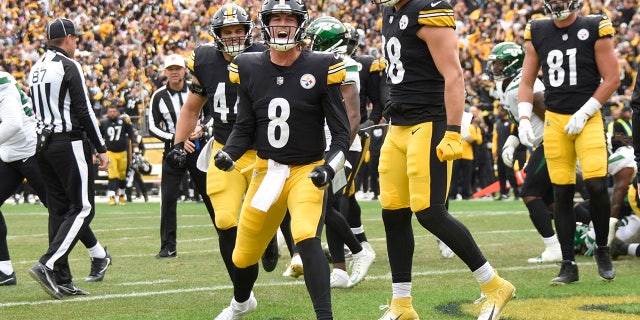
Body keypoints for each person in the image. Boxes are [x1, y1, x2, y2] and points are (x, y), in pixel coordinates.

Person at [370, 0, 515, 319]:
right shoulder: (389, 10)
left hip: (429, 121)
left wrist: (451, 131)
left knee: (430, 212)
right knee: (393, 214)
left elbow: (454, 74)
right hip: (399, 124)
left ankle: (494, 285)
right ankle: (402, 305)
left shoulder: (428, 8)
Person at [212, 0, 351, 318]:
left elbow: (342, 135)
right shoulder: (247, 66)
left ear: (300, 24)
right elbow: (244, 127)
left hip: (306, 170)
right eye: (277, 19)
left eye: (290, 19)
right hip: (267, 170)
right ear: (265, 25)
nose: (283, 25)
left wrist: (328, 169)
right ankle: (241, 303)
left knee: (306, 237)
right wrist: (228, 154)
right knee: (243, 255)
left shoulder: (322, 65)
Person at [171, 3, 278, 281]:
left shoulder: (265, 56)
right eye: (226, 31)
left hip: (262, 148)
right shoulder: (205, 60)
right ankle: (242, 290)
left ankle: (268, 238)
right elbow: (192, 108)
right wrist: (177, 143)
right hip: (224, 147)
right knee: (225, 219)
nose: (232, 36)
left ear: (248, 32)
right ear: (216, 34)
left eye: (237, 30)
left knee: (262, 214)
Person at [517, 0, 618, 284]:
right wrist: (524, 117)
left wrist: (586, 111)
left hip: (588, 117)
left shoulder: (593, 26)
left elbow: (612, 78)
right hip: (555, 120)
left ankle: (601, 248)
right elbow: (527, 81)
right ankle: (567, 263)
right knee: (561, 192)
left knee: (597, 184)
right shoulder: (537, 30)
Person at [0, 70, 112, 287]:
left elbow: (12, 123)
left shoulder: (2, 82)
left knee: (60, 210)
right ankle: (4, 269)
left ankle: (98, 255)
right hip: (8, 154)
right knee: (61, 210)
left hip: (30, 151)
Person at [27, 18, 110, 299]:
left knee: (59, 210)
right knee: (84, 208)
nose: (77, 43)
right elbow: (84, 110)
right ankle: (48, 264)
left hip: (43, 145)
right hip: (68, 142)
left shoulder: (35, 67)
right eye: (77, 38)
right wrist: (101, 148)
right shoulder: (68, 65)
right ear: (69, 38)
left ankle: (62, 279)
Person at [306, 16, 376, 289]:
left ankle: (358, 252)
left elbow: (353, 114)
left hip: (341, 145)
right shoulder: (316, 64)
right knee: (328, 205)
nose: (307, 43)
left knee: (328, 204)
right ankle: (340, 268)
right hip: (320, 144)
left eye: (313, 39)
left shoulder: (344, 65)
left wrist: (339, 150)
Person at [487, 41, 562, 264]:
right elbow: (521, 119)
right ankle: (597, 231)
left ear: (514, 65)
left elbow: (548, 112)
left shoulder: (524, 85)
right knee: (551, 199)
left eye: (500, 65)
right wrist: (512, 140)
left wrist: (555, 144)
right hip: (544, 143)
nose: (496, 69)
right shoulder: (507, 86)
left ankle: (553, 246)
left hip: (551, 141)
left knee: (530, 192)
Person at [148, 53, 215, 259]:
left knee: (211, 196)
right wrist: (177, 139)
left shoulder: (197, 88)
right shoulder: (158, 95)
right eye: (171, 69)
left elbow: (212, 114)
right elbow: (152, 126)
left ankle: (227, 236)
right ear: (166, 72)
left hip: (197, 148)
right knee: (167, 199)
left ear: (185, 69)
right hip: (172, 152)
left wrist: (202, 128)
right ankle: (168, 246)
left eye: (178, 68)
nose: (175, 72)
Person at [99, 105, 137, 206]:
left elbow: (131, 134)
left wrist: (135, 146)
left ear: (118, 112)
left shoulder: (124, 122)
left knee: (122, 176)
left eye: (114, 111)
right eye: (110, 111)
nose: (112, 113)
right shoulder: (104, 123)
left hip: (122, 153)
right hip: (110, 152)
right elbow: (98, 136)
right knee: (113, 174)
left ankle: (121, 196)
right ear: (107, 112)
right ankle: (111, 197)